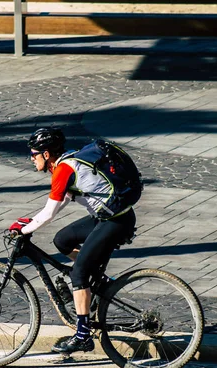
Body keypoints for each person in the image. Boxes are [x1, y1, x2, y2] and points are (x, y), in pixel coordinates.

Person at [8, 127, 137, 354]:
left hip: (115, 221)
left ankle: (82, 335)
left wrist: (24, 230)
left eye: (34, 153)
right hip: (110, 217)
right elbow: (62, 201)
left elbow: (49, 214)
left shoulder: (63, 170)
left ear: (46, 154)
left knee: (78, 274)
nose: (31, 158)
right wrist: (31, 221)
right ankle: (98, 279)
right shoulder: (68, 162)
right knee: (62, 240)